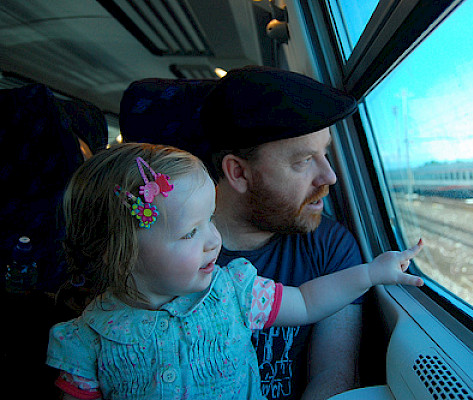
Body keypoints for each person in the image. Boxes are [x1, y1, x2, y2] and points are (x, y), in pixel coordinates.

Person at [46, 143, 424, 400]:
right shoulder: (86, 340)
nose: (213, 240)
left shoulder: (236, 291)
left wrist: (371, 274)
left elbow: (308, 302)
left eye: (210, 219)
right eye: (189, 232)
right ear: (120, 252)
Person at [196, 65, 365, 400]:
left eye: (326, 153)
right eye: (303, 161)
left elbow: (333, 375)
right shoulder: (164, 252)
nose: (329, 176)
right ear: (239, 173)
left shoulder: (331, 247)